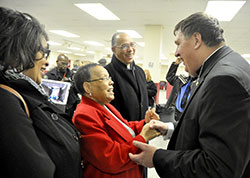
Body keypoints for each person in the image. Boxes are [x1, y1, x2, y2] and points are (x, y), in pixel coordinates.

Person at [129, 12, 250, 178]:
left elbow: (216, 167)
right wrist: (171, 129)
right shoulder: (225, 65)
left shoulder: (223, 80)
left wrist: (157, 157)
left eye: (178, 44)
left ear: (196, 40)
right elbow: (214, 128)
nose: (177, 53)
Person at [0, 7, 82, 178]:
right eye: (43, 52)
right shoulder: (6, 100)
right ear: (20, 51)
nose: (46, 60)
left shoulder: (22, 92)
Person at [72, 63, 160, 178]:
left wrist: (145, 123)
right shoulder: (84, 115)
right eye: (104, 78)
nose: (111, 82)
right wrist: (143, 137)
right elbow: (110, 158)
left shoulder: (105, 105)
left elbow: (124, 127)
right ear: (87, 87)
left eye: (109, 77)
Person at [105, 32, 148, 122]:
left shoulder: (140, 71)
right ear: (113, 49)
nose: (130, 49)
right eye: (124, 46)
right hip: (119, 129)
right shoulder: (106, 73)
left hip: (141, 128)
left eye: (132, 45)